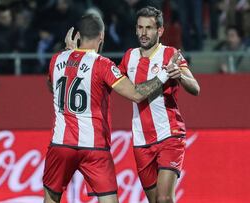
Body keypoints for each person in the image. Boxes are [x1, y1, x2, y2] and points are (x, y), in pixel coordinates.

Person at [44, 13, 180, 203]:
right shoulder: (103, 65)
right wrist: (164, 75)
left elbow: (52, 86)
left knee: (51, 197)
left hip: (60, 144)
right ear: (102, 36)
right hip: (94, 148)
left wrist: (69, 52)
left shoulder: (57, 59)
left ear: (78, 35)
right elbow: (136, 94)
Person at [117, 6, 200, 203]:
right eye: (140, 27)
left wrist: (180, 75)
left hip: (169, 134)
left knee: (164, 199)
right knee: (154, 200)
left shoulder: (170, 54)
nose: (143, 33)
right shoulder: (129, 56)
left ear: (160, 31)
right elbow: (115, 82)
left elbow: (195, 88)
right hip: (141, 140)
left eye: (149, 28)